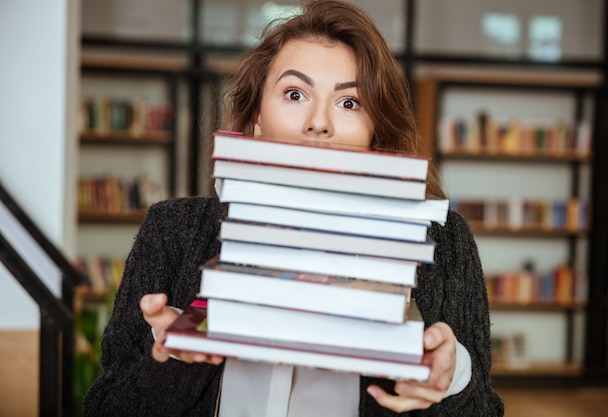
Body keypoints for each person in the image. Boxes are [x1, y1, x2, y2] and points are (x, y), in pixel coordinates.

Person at [84, 1, 504, 416]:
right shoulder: (172, 229)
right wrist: (176, 355)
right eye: (294, 93)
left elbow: (483, 409)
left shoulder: (442, 241)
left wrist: (452, 378)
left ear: (375, 132)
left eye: (350, 102)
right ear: (256, 120)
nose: (318, 122)